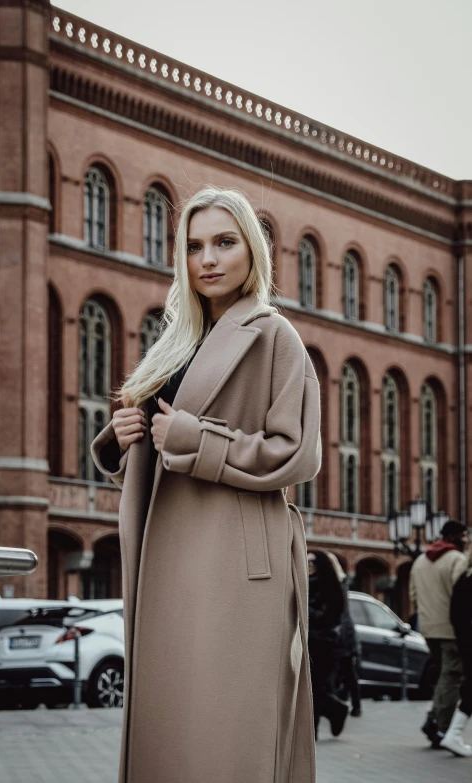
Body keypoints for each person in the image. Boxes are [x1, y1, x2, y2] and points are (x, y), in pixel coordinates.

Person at [91, 187, 322, 783]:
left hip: (235, 565)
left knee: (226, 736)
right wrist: (122, 434)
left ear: (253, 250)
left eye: (224, 242)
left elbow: (298, 453)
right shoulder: (175, 342)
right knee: (172, 728)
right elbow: (157, 435)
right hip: (168, 555)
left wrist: (198, 442)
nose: (208, 260)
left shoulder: (275, 336)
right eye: (194, 246)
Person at [409, 519, 468, 748]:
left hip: (428, 627)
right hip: (452, 629)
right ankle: (439, 726)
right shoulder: (457, 560)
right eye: (464, 536)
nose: (466, 540)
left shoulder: (421, 560)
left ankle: (435, 718)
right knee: (451, 677)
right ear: (453, 537)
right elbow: (461, 596)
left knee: (444, 674)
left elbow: (413, 596)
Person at [308, 550, 348, 739]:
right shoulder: (303, 584)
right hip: (308, 643)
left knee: (314, 689)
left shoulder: (329, 586)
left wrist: (303, 608)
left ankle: (312, 734)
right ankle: (336, 709)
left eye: (312, 563)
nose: (308, 566)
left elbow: (328, 617)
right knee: (312, 690)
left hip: (325, 645)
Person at [441, 543, 472, 756]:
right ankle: (453, 734)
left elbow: (455, 615)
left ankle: (453, 733)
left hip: (465, 642)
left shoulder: (464, 578)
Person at [327, 552, 362, 718]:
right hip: (346, 630)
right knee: (348, 672)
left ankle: (344, 706)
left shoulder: (336, 583)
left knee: (342, 672)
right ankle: (352, 705)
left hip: (341, 632)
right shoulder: (342, 581)